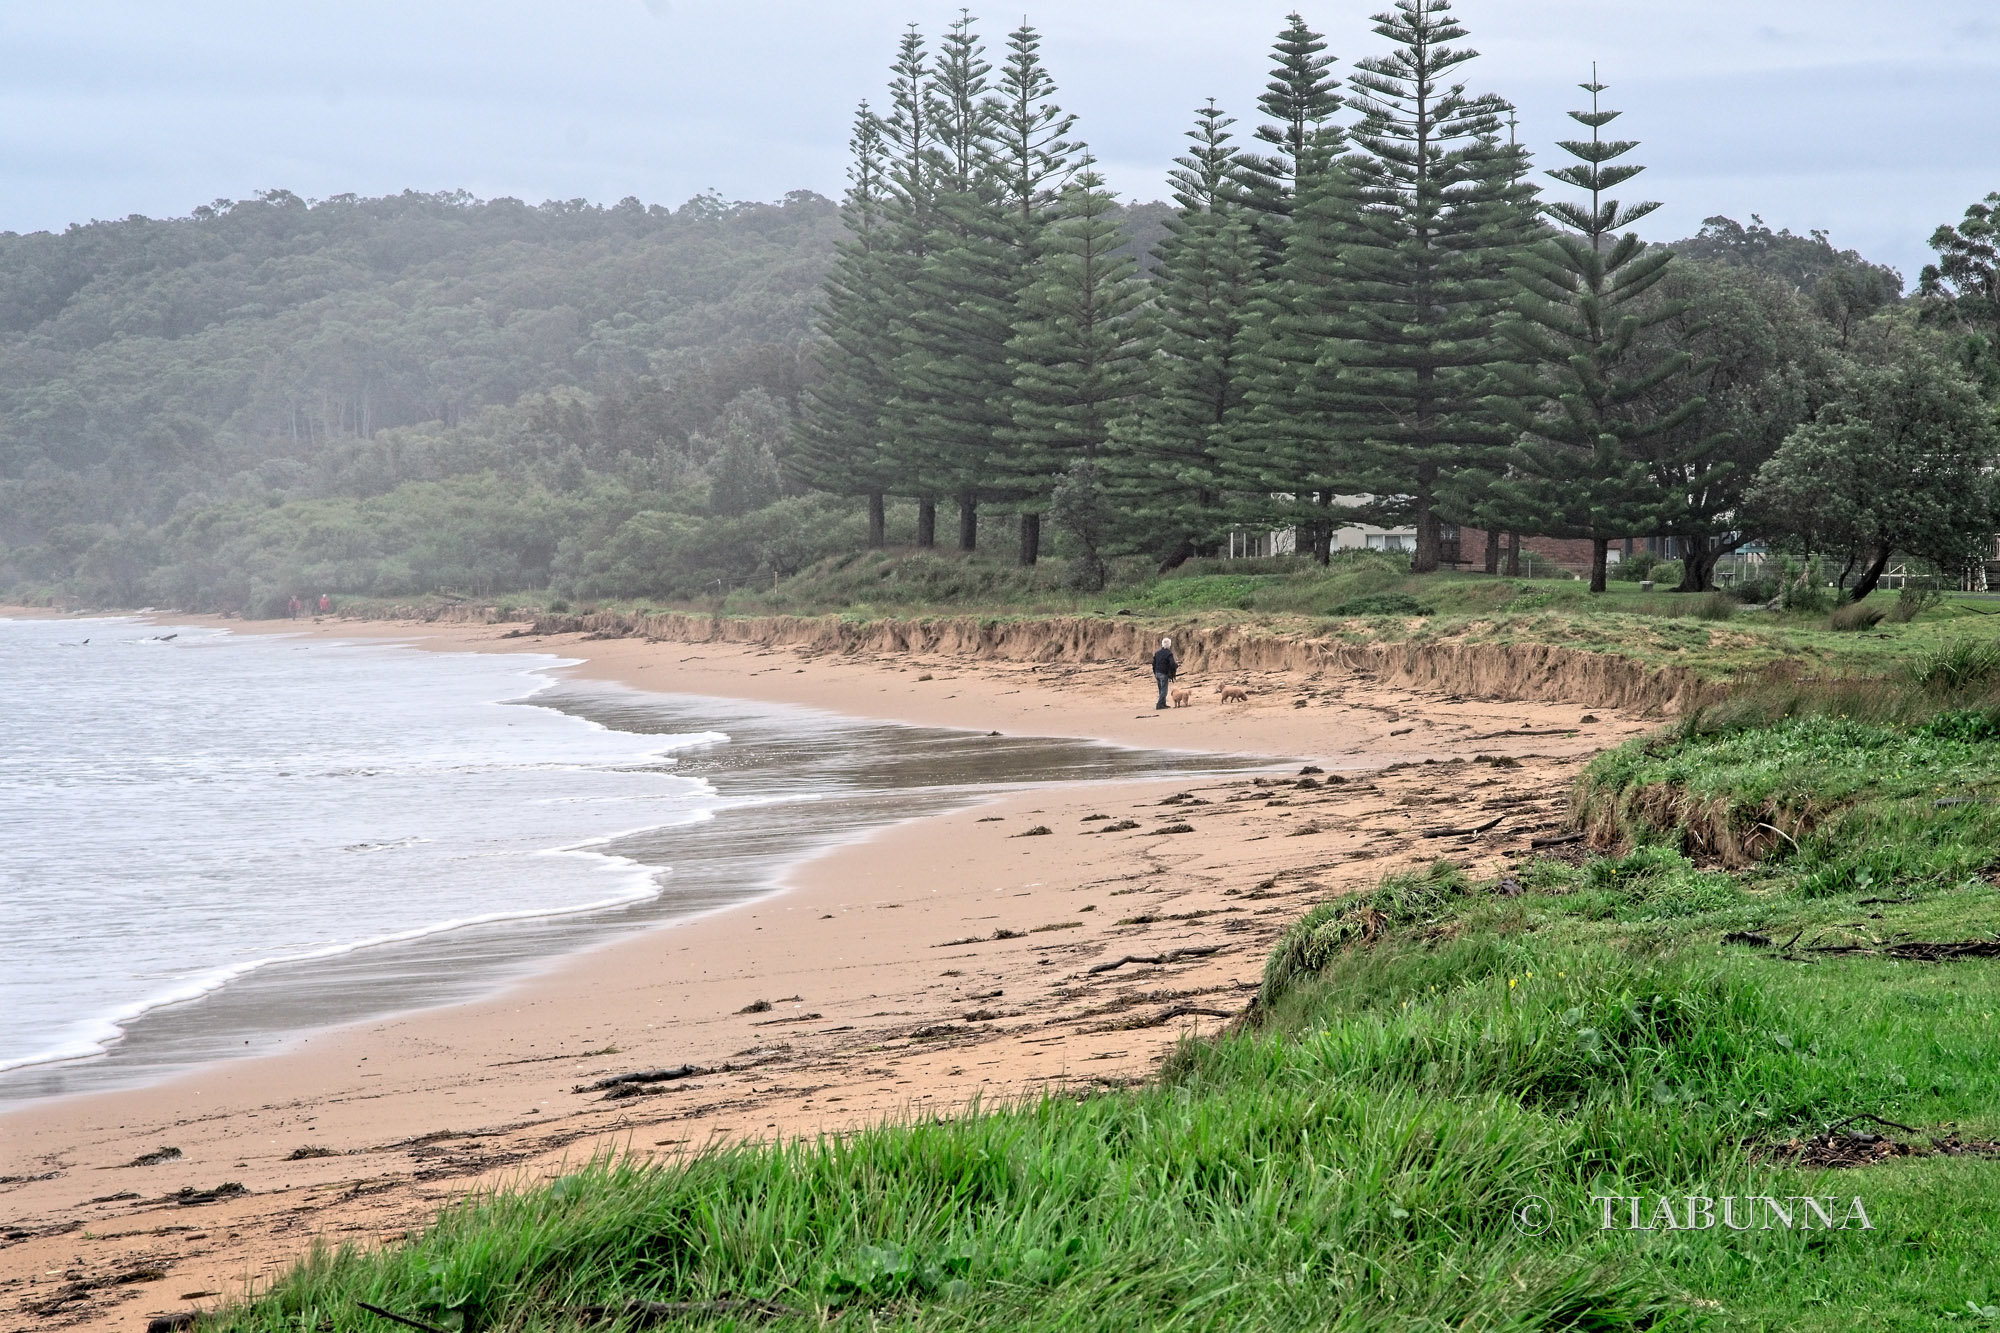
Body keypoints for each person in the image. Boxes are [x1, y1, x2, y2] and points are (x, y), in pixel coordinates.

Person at [1151, 636, 1178, 710]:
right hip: (1163, 673)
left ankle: (1163, 704)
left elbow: (1153, 663)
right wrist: (1175, 666)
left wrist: (1155, 672)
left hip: (1157, 673)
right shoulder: (1169, 653)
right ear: (1169, 645)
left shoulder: (1157, 653)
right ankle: (1159, 704)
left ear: (1162, 644)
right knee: (1164, 690)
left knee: (1161, 689)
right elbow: (1172, 664)